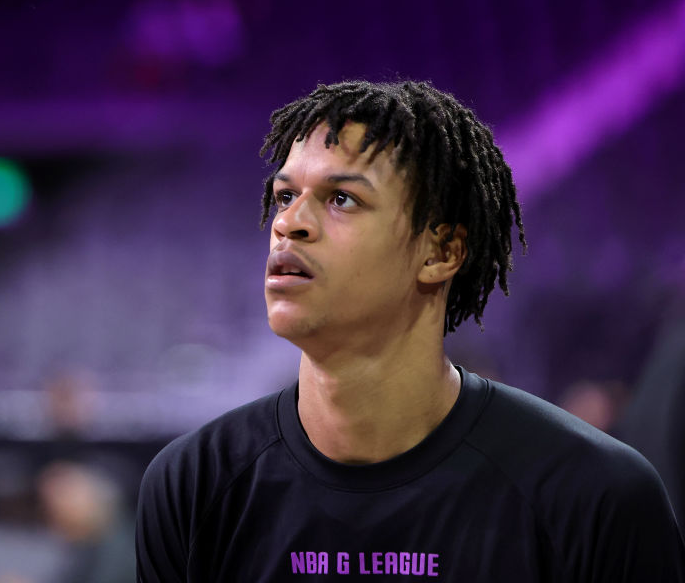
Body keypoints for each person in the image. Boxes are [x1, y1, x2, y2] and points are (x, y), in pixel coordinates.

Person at [135, 80, 685, 581]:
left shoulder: (593, 496)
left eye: (341, 198)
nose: (288, 222)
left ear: (441, 252)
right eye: (285, 195)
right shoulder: (194, 485)